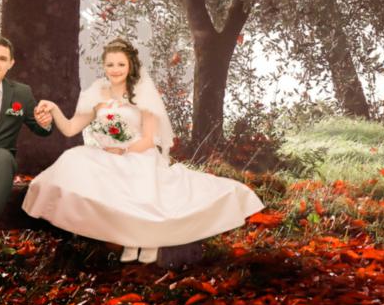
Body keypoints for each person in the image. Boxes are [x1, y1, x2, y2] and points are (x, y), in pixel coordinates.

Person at [22, 38, 264, 263]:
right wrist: (54, 109)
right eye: (110, 64)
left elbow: (148, 139)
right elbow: (70, 128)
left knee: (140, 188)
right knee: (73, 158)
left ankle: (146, 241)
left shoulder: (143, 94)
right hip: (108, 154)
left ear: (130, 66)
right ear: (104, 66)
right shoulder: (96, 93)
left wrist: (124, 150)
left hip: (138, 153)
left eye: (120, 64)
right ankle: (127, 238)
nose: (115, 69)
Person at [0, 35, 53, 223]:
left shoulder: (21, 93)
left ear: (10, 63)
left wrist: (44, 122)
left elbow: (41, 129)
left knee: (3, 157)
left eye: (2, 58)